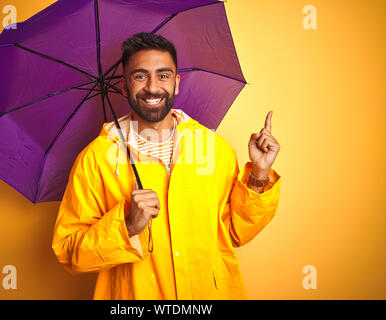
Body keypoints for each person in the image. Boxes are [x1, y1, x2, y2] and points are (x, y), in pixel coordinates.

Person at [51, 32, 281, 299]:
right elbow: (69, 253)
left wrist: (259, 175)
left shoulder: (214, 149)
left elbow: (235, 234)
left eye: (163, 75)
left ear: (176, 83)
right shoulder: (96, 159)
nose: (152, 87)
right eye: (139, 76)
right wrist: (127, 226)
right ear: (125, 87)